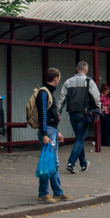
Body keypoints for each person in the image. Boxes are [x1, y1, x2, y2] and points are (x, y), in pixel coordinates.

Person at [57, 61, 100, 173]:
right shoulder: (89, 81)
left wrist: (58, 112)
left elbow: (62, 99)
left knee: (78, 138)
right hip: (84, 113)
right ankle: (71, 163)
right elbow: (96, 97)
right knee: (80, 139)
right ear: (85, 70)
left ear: (77, 69)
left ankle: (84, 163)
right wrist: (98, 109)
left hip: (72, 114)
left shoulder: (68, 82)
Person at [35, 68, 70, 203]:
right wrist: (45, 134)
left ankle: (56, 192)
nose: (59, 79)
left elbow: (49, 114)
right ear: (56, 78)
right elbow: (43, 114)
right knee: (50, 161)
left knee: (51, 162)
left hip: (51, 130)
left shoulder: (47, 92)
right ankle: (45, 193)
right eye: (59, 77)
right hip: (48, 131)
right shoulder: (44, 93)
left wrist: (57, 130)